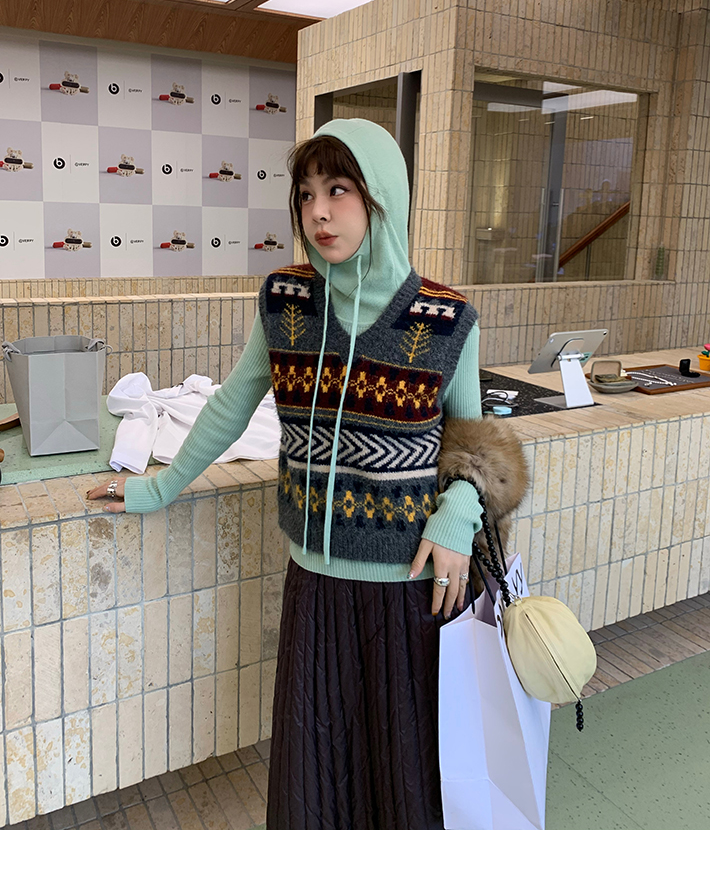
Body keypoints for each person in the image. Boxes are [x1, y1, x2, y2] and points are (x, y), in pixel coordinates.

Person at [88, 118, 524, 830]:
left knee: (405, 777)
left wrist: (457, 512)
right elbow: (231, 405)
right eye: (306, 194)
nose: (318, 212)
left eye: (339, 190)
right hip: (315, 585)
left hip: (410, 592)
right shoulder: (286, 301)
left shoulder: (447, 320)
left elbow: (479, 446)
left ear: (381, 197)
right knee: (315, 778)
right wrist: (158, 486)